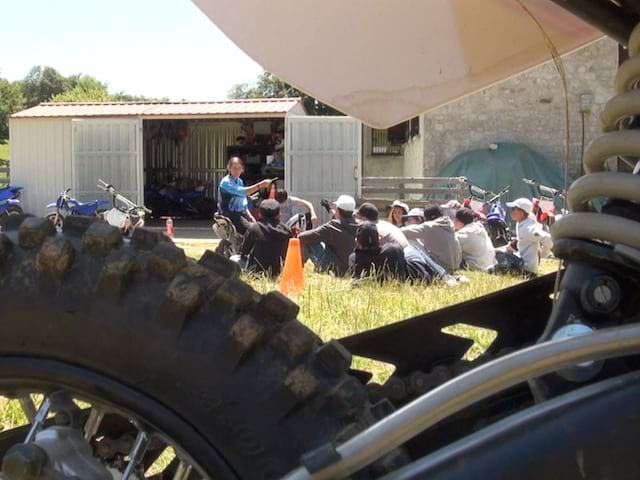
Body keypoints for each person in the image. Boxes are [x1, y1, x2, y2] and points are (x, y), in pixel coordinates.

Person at [298, 194, 359, 276]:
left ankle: (299, 267)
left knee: (310, 241)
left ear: (338, 210)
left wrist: (300, 232)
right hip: (352, 269)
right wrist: (329, 209)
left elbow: (302, 237)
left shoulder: (332, 227)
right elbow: (342, 219)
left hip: (334, 269)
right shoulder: (359, 225)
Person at [218, 157, 274, 235]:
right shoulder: (226, 182)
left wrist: (249, 215)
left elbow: (242, 201)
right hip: (230, 215)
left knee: (257, 227)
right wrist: (260, 185)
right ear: (229, 168)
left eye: (239, 168)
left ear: (242, 169)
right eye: (234, 168)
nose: (237, 171)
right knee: (252, 232)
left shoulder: (239, 181)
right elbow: (244, 192)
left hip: (239, 214)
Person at [240, 199, 293, 277]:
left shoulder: (254, 228)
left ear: (259, 214)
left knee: (234, 259)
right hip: (280, 272)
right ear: (279, 215)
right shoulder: (287, 231)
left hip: (257, 273)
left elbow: (244, 251)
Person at [401, 205, 462, 272]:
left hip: (442, 267)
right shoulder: (449, 225)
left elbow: (402, 232)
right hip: (454, 266)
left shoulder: (430, 226)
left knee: (411, 241)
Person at [506, 198, 553, 276]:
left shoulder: (528, 229)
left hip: (526, 269)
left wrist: (543, 254)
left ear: (521, 213)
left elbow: (548, 239)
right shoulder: (524, 219)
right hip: (521, 261)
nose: (511, 211)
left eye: (513, 209)